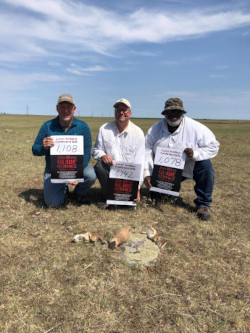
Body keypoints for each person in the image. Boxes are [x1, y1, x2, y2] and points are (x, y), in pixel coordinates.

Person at [144, 97, 220, 220]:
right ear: (165, 113)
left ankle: (203, 204)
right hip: (165, 172)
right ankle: (169, 190)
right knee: (159, 199)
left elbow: (213, 146)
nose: (173, 114)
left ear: (182, 112)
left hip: (189, 165)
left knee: (206, 166)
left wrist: (194, 154)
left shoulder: (196, 128)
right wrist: (147, 173)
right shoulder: (155, 128)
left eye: (177, 111)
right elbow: (146, 149)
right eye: (170, 111)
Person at [32, 93, 96, 207]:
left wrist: (76, 173)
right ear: (57, 108)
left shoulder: (83, 127)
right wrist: (44, 147)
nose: (65, 110)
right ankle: (63, 187)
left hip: (76, 167)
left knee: (90, 174)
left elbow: (86, 154)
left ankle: (79, 192)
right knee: (53, 203)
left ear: (74, 109)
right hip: (53, 170)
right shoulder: (47, 126)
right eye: (62, 107)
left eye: (69, 107)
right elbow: (35, 150)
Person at [92, 98, 145, 202]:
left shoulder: (138, 133)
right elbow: (96, 150)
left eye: (124, 110)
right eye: (118, 110)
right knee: (99, 166)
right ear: (114, 113)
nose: (121, 112)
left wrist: (137, 188)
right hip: (111, 171)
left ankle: (126, 195)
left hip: (129, 175)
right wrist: (103, 156)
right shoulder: (104, 129)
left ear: (130, 113)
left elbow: (140, 162)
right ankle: (111, 196)